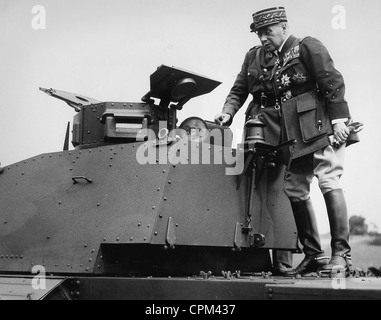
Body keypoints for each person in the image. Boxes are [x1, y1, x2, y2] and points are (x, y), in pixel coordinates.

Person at [215, 6, 362, 276]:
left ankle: (341, 254)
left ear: (283, 26)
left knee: (328, 179)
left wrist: (340, 120)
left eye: (267, 32)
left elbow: (331, 80)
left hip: (317, 128)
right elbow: (245, 90)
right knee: (295, 188)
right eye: (259, 34)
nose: (263, 38)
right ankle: (314, 255)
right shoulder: (267, 57)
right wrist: (228, 112)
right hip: (292, 135)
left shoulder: (306, 46)